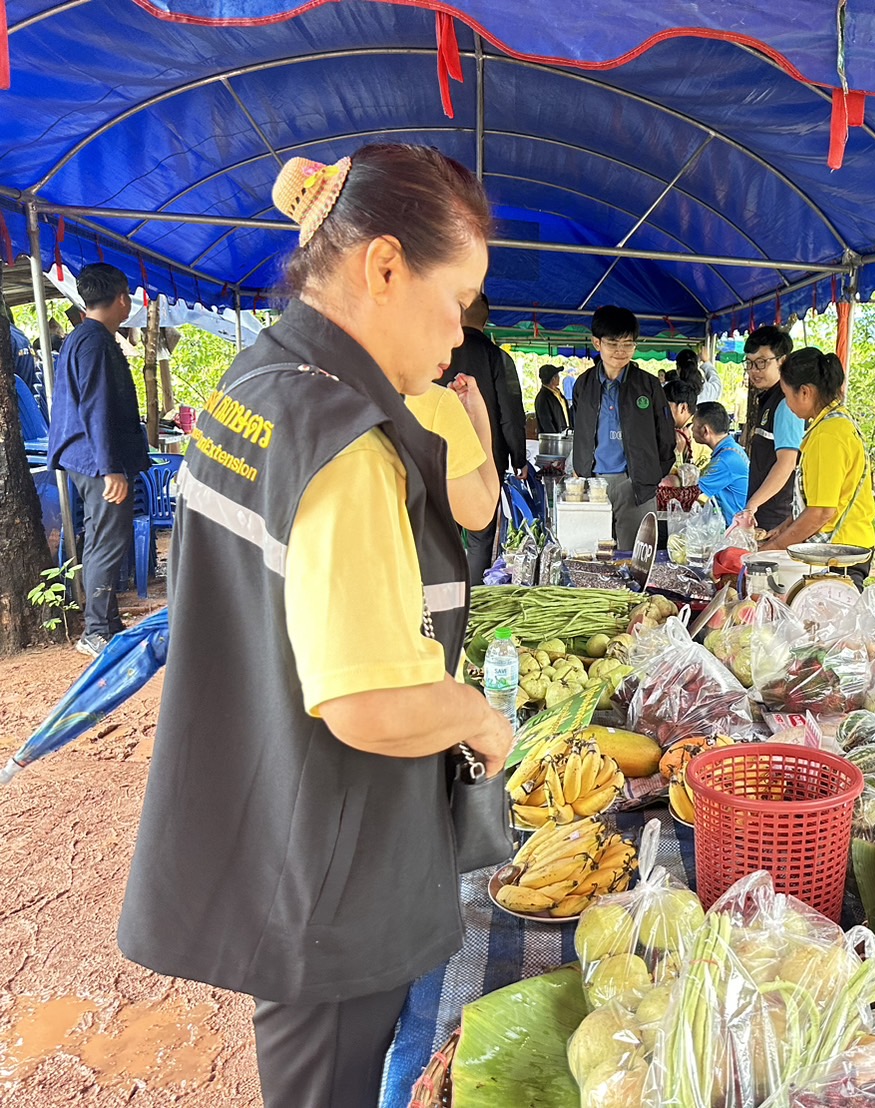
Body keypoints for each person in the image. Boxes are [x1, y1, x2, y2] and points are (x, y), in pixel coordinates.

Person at [116, 145, 514, 1108]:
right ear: (383, 268)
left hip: (271, 803)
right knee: (327, 1078)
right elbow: (369, 705)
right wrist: (476, 715)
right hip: (336, 858)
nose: (460, 334)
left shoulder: (258, 386)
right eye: (455, 299)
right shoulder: (347, 447)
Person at [45, 263, 150, 658]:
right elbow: (95, 406)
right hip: (95, 459)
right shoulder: (95, 342)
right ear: (122, 298)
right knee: (109, 539)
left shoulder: (84, 337)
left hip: (86, 456)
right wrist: (110, 467)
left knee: (102, 538)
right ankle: (96, 631)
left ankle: (105, 623)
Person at [760, 347, 875, 580]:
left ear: (805, 392)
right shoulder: (833, 424)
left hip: (840, 553)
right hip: (842, 548)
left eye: (786, 394)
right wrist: (784, 528)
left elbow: (822, 511)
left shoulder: (829, 434)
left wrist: (770, 550)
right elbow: (816, 501)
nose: (787, 403)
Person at [437, 293, 527, 582]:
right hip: (486, 458)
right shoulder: (498, 357)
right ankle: (473, 596)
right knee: (480, 534)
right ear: (486, 319)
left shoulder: (437, 353)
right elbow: (511, 414)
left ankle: (442, 590)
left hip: (439, 458)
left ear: (459, 312)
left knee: (441, 531)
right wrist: (519, 458)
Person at [571, 305, 675, 550]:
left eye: (628, 344)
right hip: (593, 483)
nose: (621, 351)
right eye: (613, 343)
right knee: (593, 555)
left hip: (634, 485)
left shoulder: (647, 385)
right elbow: (579, 430)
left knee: (634, 557)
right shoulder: (583, 385)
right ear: (597, 343)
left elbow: (666, 436)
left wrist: (650, 475)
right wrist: (581, 468)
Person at [405, 377, 500, 530]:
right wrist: (478, 422)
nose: (447, 357)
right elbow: (479, 514)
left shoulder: (355, 386)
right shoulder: (437, 402)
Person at [736, 324, 802, 535]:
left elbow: (787, 463)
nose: (754, 370)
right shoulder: (769, 399)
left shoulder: (786, 404)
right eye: (749, 363)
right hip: (763, 514)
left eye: (762, 363)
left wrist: (751, 506)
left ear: (782, 360)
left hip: (776, 518)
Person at [691, 402, 749, 524]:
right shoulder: (731, 449)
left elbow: (694, 492)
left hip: (731, 530)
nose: (691, 429)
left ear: (705, 430)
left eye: (694, 425)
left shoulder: (726, 460)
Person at [664, 376, 699, 465]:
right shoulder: (696, 426)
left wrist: (678, 454)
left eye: (666, 407)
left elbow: (688, 476)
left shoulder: (693, 435)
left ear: (682, 408)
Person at [534, 362, 570, 434]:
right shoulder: (543, 398)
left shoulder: (557, 393)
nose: (559, 378)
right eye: (557, 376)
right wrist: (555, 438)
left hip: (565, 432)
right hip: (554, 438)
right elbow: (546, 423)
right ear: (553, 379)